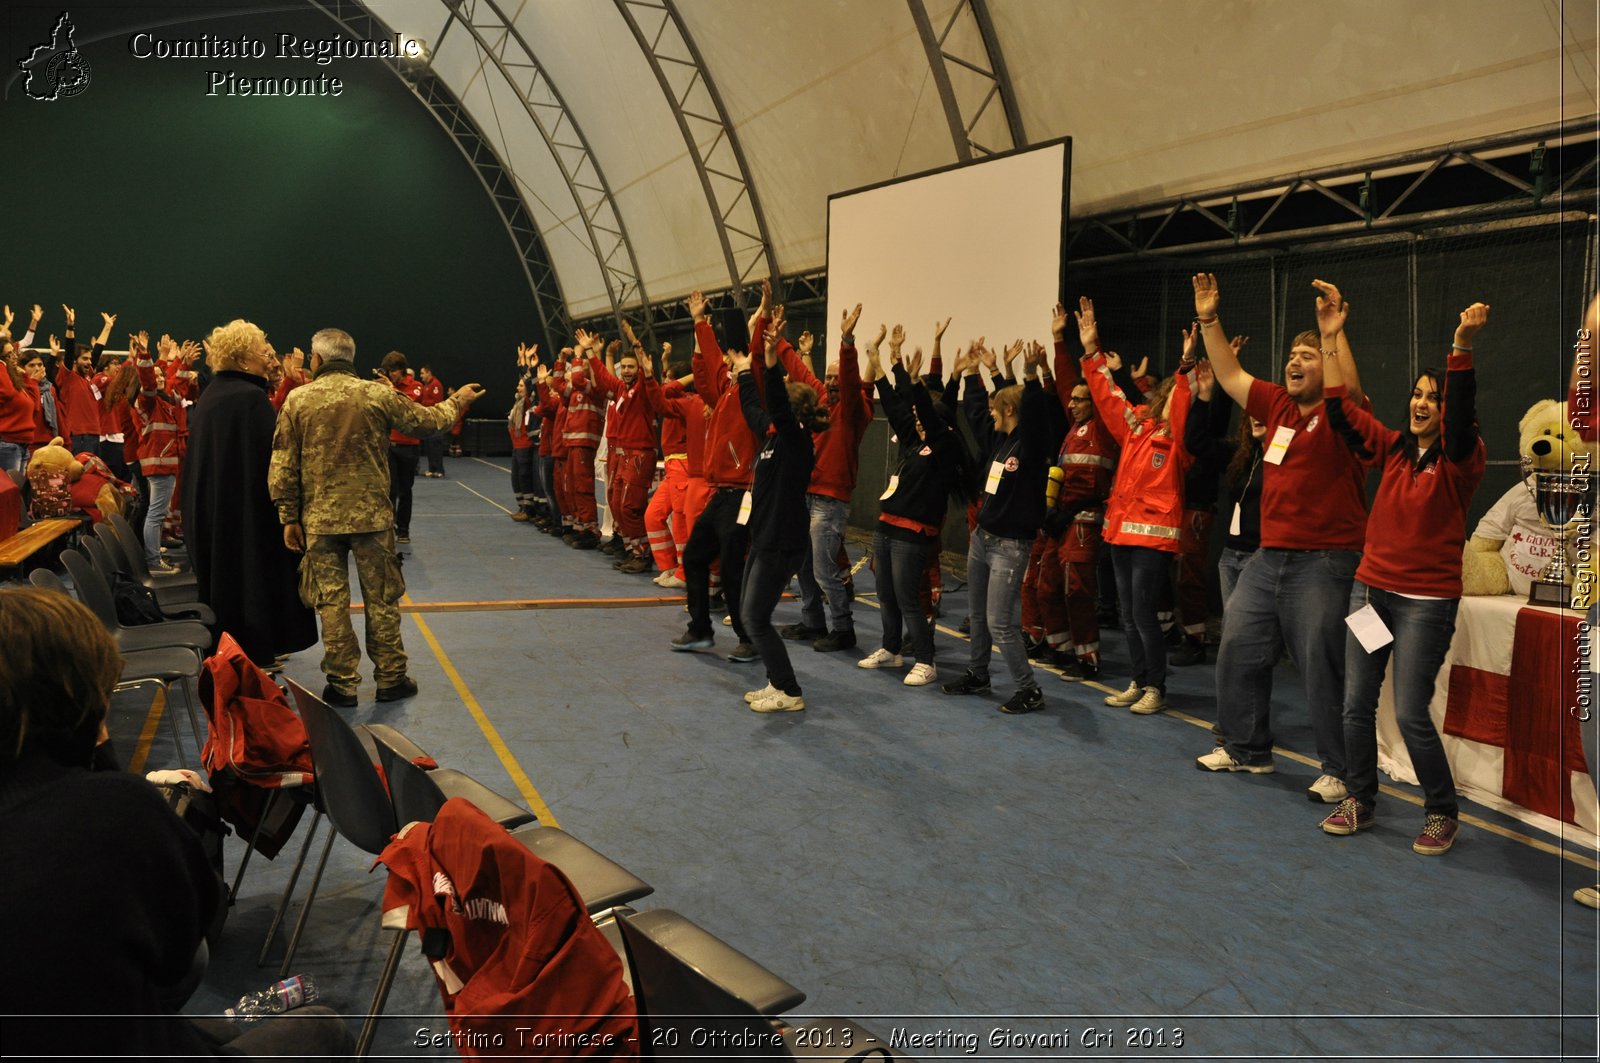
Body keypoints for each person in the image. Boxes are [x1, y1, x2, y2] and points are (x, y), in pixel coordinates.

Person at [0, 588, 354, 1058]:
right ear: (81, 701)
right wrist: (98, 755)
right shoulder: (118, 810)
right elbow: (186, 943)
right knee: (322, 1030)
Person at [1316, 301, 1489, 855]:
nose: (1421, 403)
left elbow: (1461, 418)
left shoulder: (1464, 458)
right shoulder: (1391, 449)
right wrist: (1330, 338)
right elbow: (1341, 410)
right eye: (1417, 393)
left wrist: (1460, 346)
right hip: (1372, 593)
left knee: (1411, 712)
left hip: (1425, 604)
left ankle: (1442, 812)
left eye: (1432, 397)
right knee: (1355, 704)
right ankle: (1360, 800)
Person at [1191, 274, 1372, 803]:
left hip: (1325, 562)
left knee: (1320, 663)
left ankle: (1338, 769)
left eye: (1308, 357)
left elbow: (1353, 391)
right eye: (1292, 354)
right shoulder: (1276, 407)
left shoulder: (1345, 415)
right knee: (1237, 647)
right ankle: (1248, 750)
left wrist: (1333, 334)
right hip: (1269, 558)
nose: (1294, 361)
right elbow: (1227, 373)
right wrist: (1208, 319)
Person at [269, 328, 483, 707]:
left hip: (319, 522)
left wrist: (289, 516)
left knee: (331, 604)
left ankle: (342, 685)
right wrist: (459, 400)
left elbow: (283, 465)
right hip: (372, 519)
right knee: (382, 600)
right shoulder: (376, 394)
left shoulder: (297, 401)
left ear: (317, 360)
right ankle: (390, 679)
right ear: (350, 358)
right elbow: (428, 422)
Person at [1078, 298, 1195, 716]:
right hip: (1120, 532)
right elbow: (1108, 397)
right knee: (1128, 616)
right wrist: (1091, 353)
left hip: (1151, 538)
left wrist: (1185, 368)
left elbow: (1183, 401)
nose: (1165, 400)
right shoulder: (1138, 426)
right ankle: (1139, 680)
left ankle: (1156, 687)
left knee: (1144, 615)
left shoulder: (1177, 438)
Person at [183, 319, 317, 667]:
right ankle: (256, 651)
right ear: (243, 360)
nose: (268, 359)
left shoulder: (215, 394)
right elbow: (273, 466)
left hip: (217, 515)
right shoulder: (248, 399)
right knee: (252, 581)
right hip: (245, 518)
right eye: (263, 352)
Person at [943, 335, 1063, 714]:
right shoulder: (999, 443)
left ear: (1011, 411)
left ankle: (1030, 690)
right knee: (977, 615)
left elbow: (1035, 420)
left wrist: (1028, 376)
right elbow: (978, 412)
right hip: (983, 539)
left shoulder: (1030, 448)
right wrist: (978, 374)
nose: (991, 413)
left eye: (999, 409)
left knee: (1000, 623)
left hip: (1010, 545)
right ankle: (978, 674)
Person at [860, 314, 973, 686]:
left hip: (914, 532)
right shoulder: (914, 440)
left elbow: (923, 409)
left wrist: (905, 373)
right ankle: (891, 649)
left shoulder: (945, 447)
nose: (917, 422)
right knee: (885, 594)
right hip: (887, 525)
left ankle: (926, 660)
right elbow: (894, 408)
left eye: (924, 419)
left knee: (908, 597)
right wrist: (883, 367)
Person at [737, 317, 823, 712]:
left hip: (781, 542)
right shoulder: (772, 436)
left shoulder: (797, 441)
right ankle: (776, 682)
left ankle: (789, 691)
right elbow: (754, 407)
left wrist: (772, 364)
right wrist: (743, 372)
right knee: (748, 612)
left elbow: (773, 405)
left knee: (755, 618)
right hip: (764, 538)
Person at [587, 323, 664, 573]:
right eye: (625, 367)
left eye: (632, 367)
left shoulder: (643, 388)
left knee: (630, 506)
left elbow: (645, 368)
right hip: (621, 455)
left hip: (639, 454)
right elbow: (603, 379)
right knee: (617, 505)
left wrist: (634, 340)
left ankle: (643, 553)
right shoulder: (621, 388)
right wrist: (592, 354)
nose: (628, 371)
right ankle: (633, 550)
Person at [379, 351, 425, 544]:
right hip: (390, 446)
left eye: (393, 372)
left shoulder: (415, 387)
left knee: (406, 490)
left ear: (401, 370)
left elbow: (405, 408)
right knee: (389, 490)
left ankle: (403, 529)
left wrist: (389, 389)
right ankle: (388, 527)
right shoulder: (387, 386)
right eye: (388, 372)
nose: (391, 375)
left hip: (409, 447)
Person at [418, 363, 448, 477]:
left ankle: (439, 470)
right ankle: (432, 468)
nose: (421, 376)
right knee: (429, 446)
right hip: (428, 420)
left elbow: (437, 402)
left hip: (436, 420)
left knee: (436, 445)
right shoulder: (425, 386)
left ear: (428, 372)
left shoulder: (436, 385)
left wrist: (423, 405)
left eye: (422, 373)